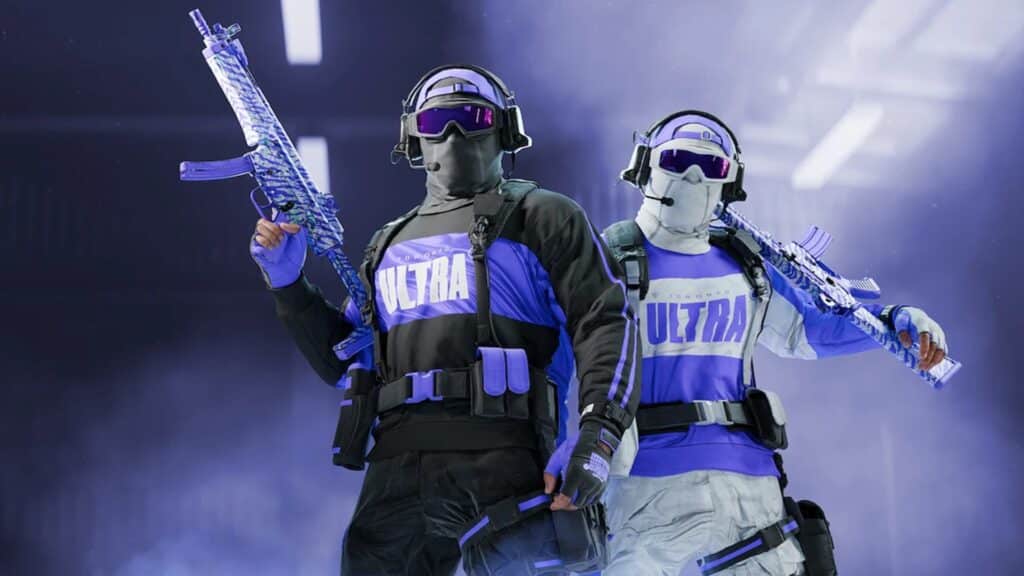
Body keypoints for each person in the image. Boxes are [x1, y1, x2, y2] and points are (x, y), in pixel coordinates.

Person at [250, 64, 640, 576]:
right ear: (415, 138)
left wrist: (598, 436)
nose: (455, 135)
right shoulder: (387, 245)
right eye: (436, 123)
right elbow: (341, 360)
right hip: (396, 469)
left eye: (474, 119)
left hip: (508, 456)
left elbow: (606, 322)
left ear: (503, 130)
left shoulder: (544, 216)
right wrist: (288, 284)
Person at [600, 110, 948, 576]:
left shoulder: (745, 264)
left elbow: (811, 331)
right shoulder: (605, 260)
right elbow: (565, 368)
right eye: (677, 159)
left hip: (748, 492)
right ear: (646, 166)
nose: (694, 176)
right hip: (645, 490)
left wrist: (893, 322)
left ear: (731, 181)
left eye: (713, 166)